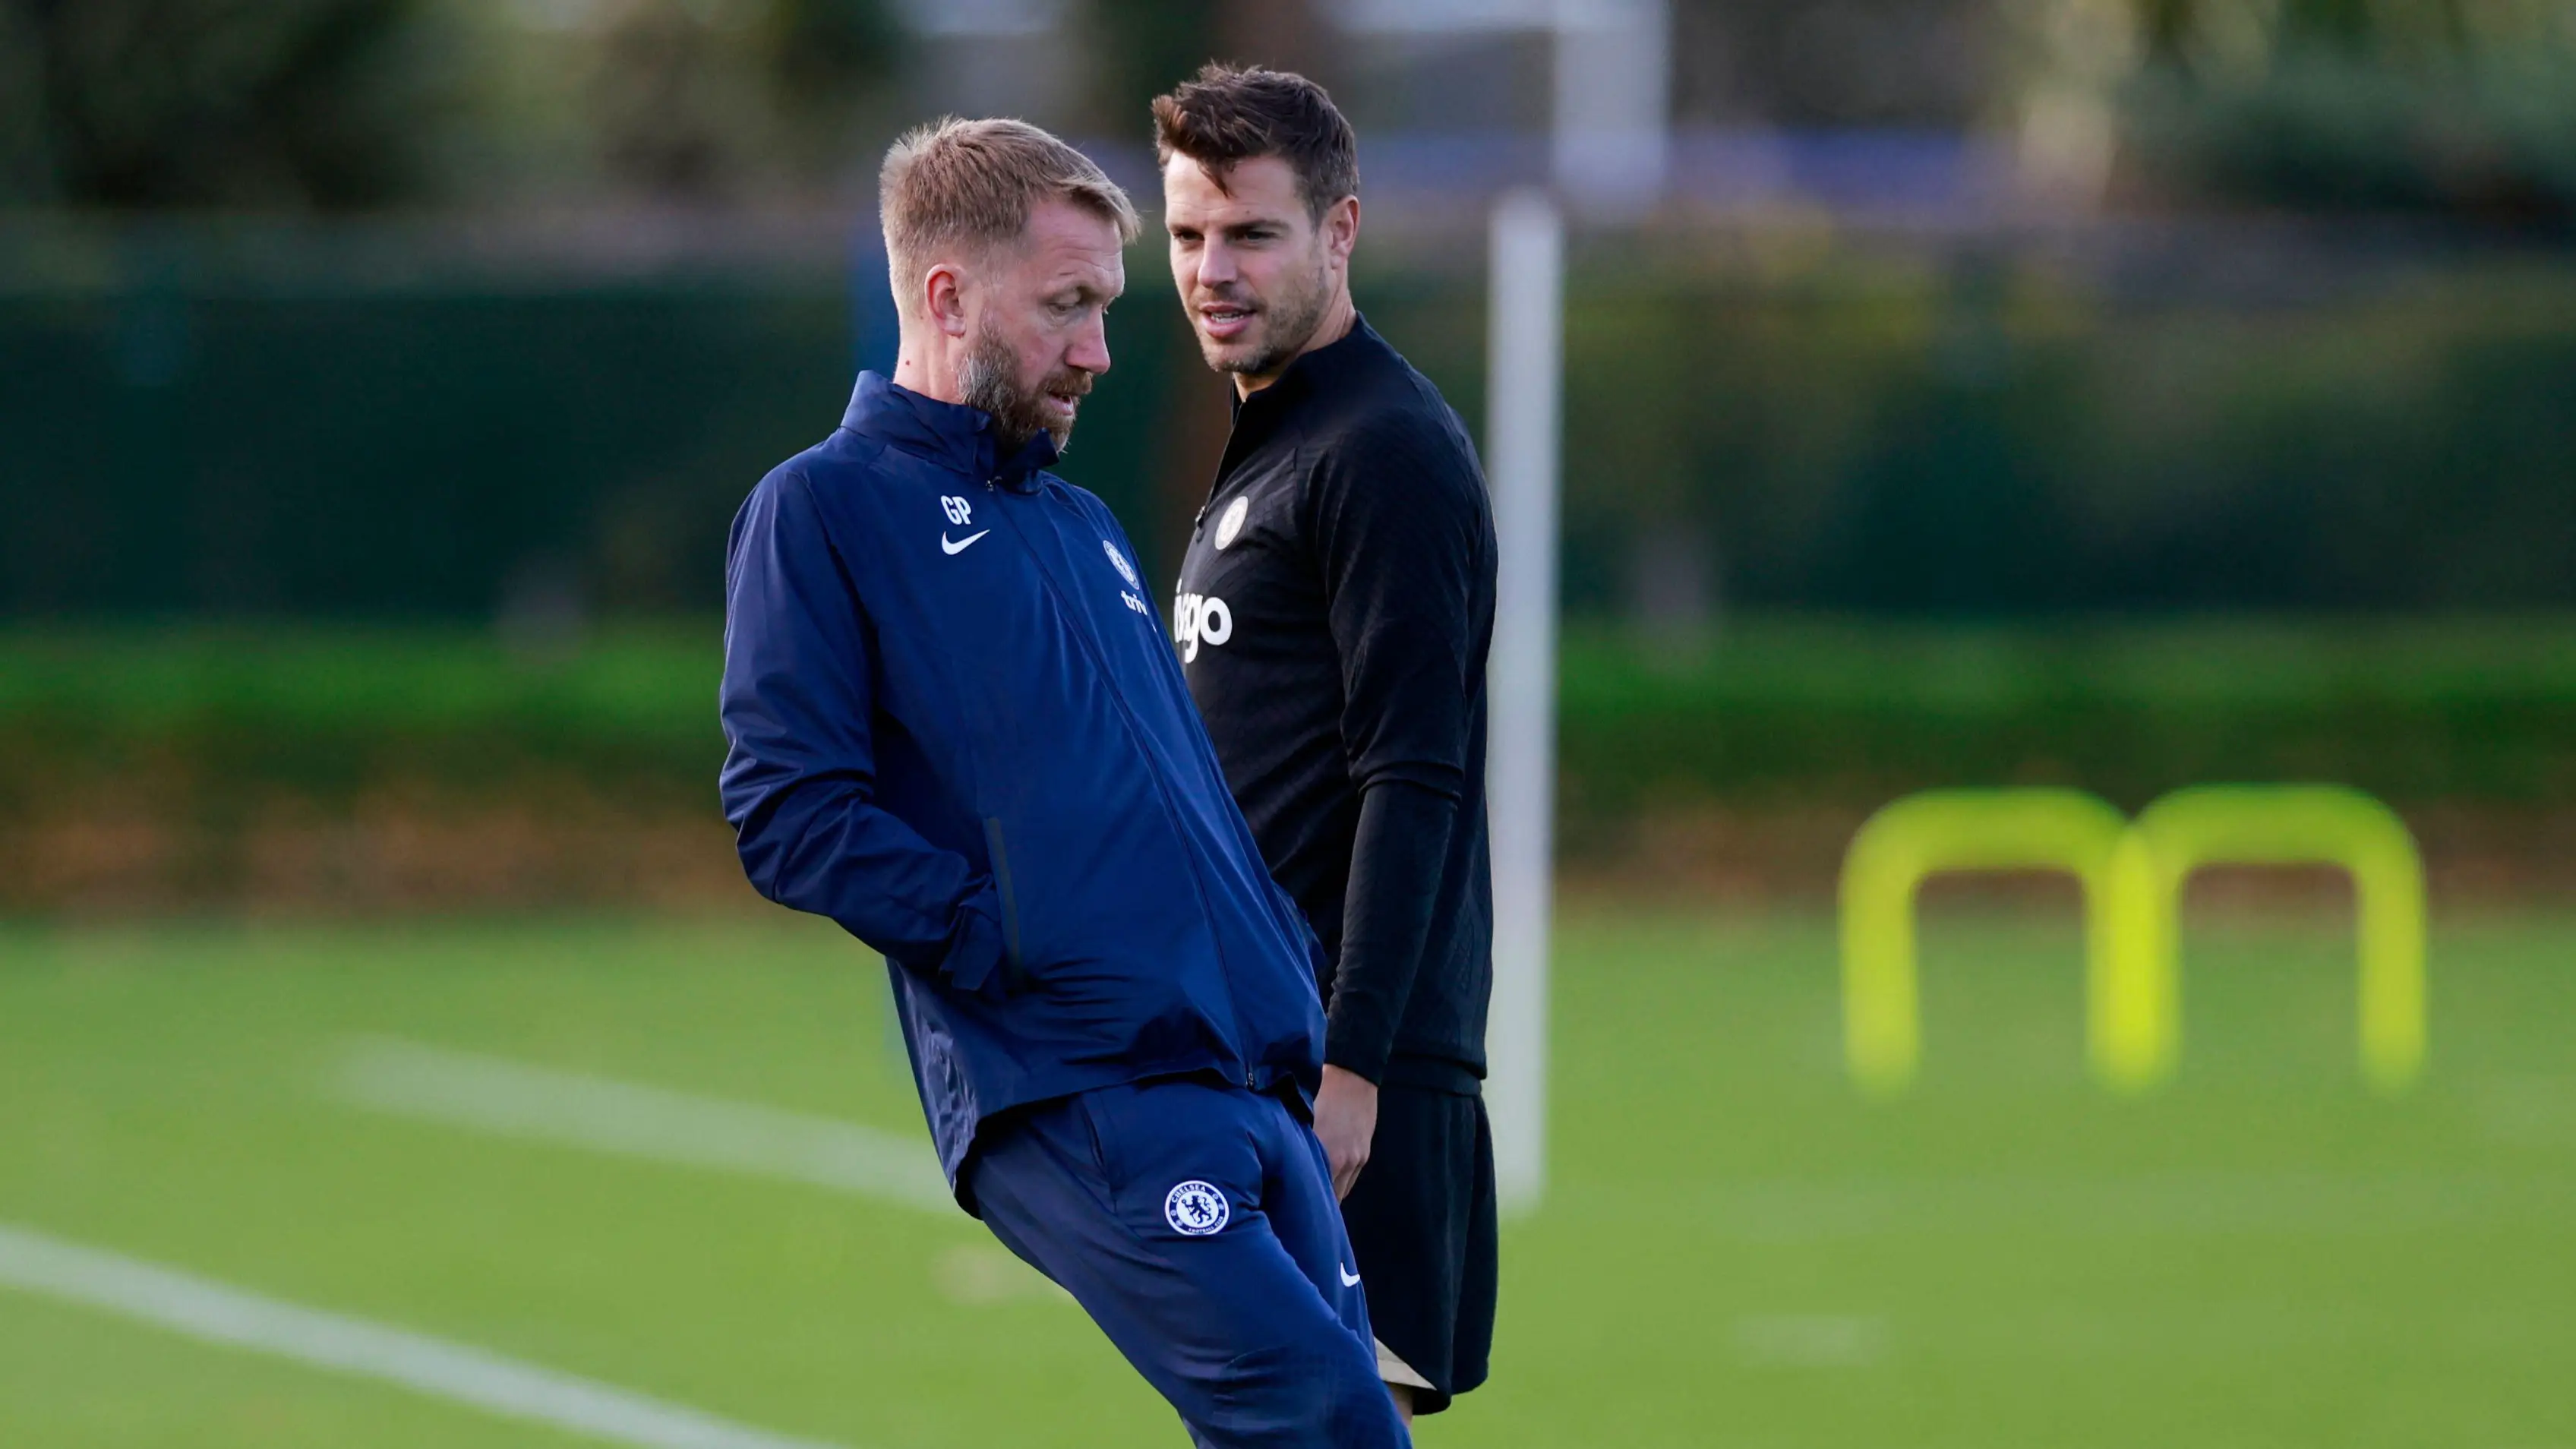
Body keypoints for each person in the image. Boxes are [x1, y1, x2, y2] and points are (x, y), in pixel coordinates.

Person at [718, 116, 1410, 1449]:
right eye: (1067, 308)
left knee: (1343, 1427)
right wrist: (1009, 940)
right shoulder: (823, 510)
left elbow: (1177, 795)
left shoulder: (1081, 525)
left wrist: (1285, 972)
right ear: (947, 294)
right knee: (1322, 1423)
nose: (1098, 350)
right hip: (1073, 1082)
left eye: (1103, 308)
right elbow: (790, 812)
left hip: (1247, 1064)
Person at [1154, 66, 1501, 1423]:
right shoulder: (1274, 443)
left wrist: (1351, 1067)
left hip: (1355, 1076)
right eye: (1186, 236)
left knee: (1336, 1422)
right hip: (1253, 1049)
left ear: (1339, 231)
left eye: (1252, 234)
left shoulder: (1383, 449)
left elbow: (1415, 775)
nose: (1210, 270)